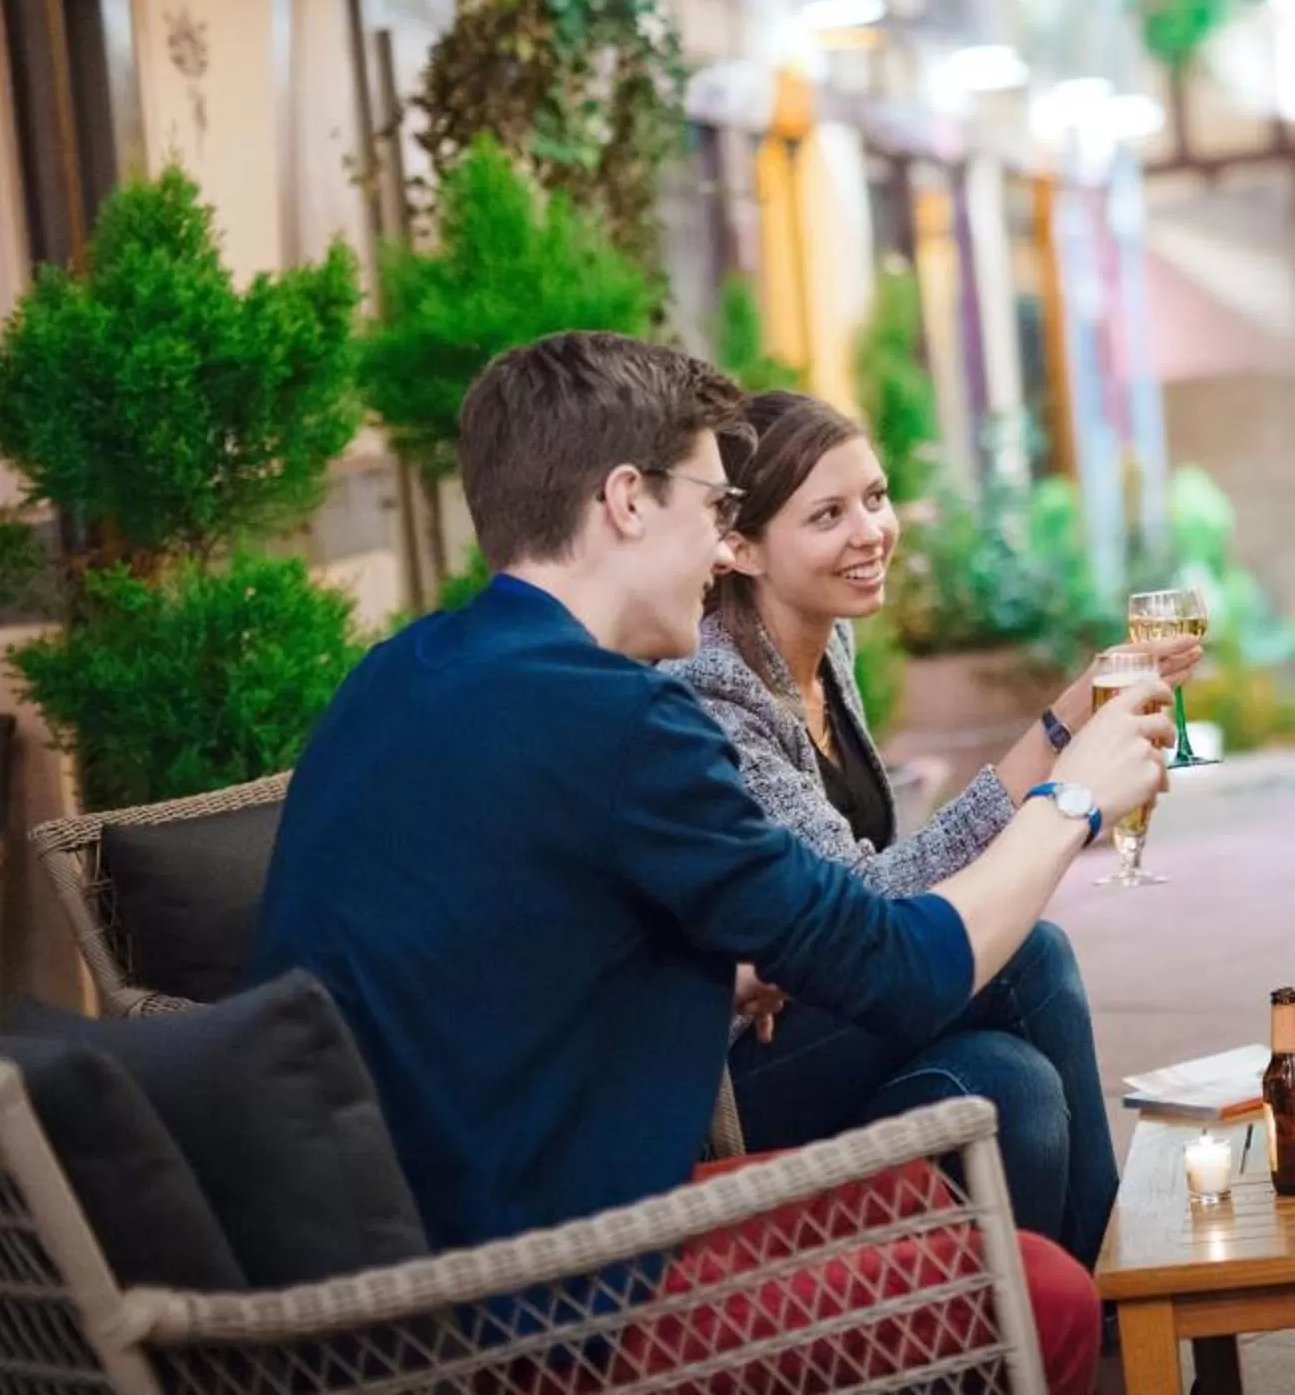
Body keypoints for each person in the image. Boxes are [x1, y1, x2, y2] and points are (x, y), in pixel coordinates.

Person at [250, 333, 1166, 1394]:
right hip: (534, 1302)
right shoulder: (623, 716)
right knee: (1038, 1289)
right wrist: (1076, 793)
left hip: (368, 1281)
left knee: (995, 1119)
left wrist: (712, 968)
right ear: (627, 499)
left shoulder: (395, 673)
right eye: (715, 507)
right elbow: (906, 966)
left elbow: (498, 930)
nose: (720, 543)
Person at [670, 389, 1188, 1264]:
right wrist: (1059, 773)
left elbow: (872, 890)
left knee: (1007, 1085)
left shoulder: (825, 646)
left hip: (815, 1004)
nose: (870, 531)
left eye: (874, 498)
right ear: (742, 544)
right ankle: (1118, 1299)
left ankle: (1054, 1333)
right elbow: (865, 909)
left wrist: (1067, 715)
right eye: (828, 514)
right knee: (1030, 953)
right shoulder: (716, 689)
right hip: (733, 1076)